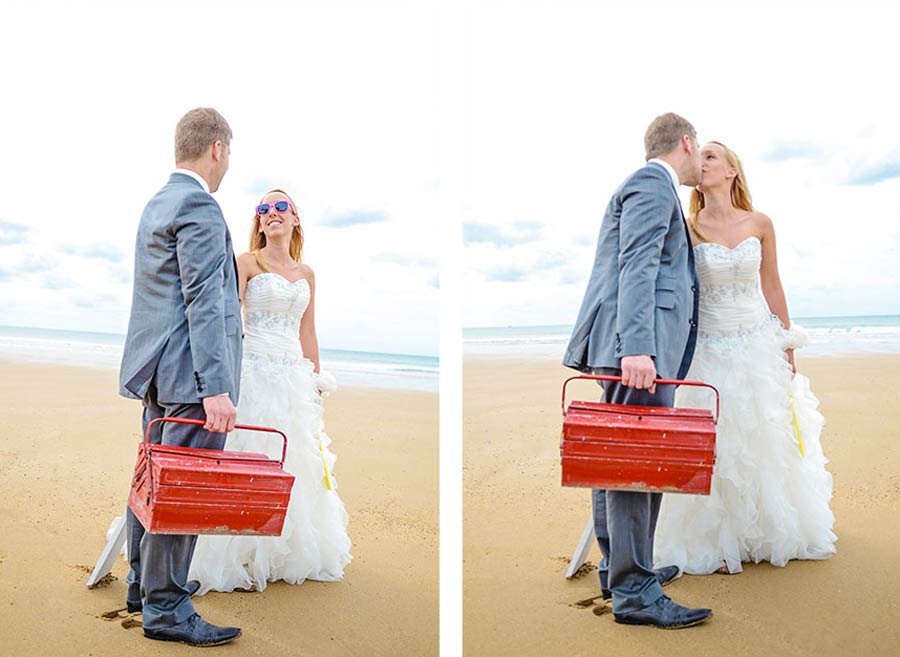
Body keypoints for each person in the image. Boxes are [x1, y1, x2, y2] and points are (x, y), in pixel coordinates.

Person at [652, 141, 836, 575]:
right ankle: (716, 538)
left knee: (763, 438)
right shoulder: (689, 226)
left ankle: (767, 532)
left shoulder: (761, 223)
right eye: (702, 156)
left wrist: (787, 342)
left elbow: (772, 285)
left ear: (733, 170)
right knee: (715, 443)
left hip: (757, 342)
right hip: (708, 347)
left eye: (713, 156)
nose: (704, 161)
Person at [563, 112, 711, 629]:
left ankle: (619, 568)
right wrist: (639, 349)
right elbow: (638, 264)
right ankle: (635, 590)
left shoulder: (646, 185)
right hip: (637, 351)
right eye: (701, 150)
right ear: (687, 143)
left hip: (628, 346)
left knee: (616, 461)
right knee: (636, 469)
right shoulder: (652, 183)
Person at [119, 108, 243, 646]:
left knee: (153, 478)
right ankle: (167, 607)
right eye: (229, 153)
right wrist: (215, 387)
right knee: (180, 489)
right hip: (190, 376)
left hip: (154, 371)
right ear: (216, 148)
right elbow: (202, 300)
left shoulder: (157, 202)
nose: (228, 163)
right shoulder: (200, 205)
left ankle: (141, 583)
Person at [189, 189, 352, 592]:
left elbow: (307, 331)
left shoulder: (307, 274)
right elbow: (228, 316)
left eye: (281, 207)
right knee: (244, 456)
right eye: (264, 209)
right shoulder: (246, 262)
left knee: (293, 460)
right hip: (250, 371)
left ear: (296, 219)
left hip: (293, 378)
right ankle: (232, 549)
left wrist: (315, 379)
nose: (272, 213)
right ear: (259, 222)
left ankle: (279, 551)